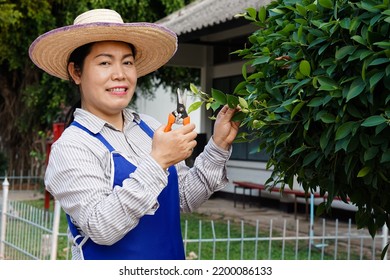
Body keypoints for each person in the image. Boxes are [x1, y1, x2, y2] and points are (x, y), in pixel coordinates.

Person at [29, 9, 239, 260]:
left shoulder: (151, 128)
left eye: (127, 62)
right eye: (105, 62)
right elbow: (101, 227)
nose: (120, 74)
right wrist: (157, 161)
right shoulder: (72, 147)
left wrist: (218, 145)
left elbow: (182, 198)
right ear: (76, 72)